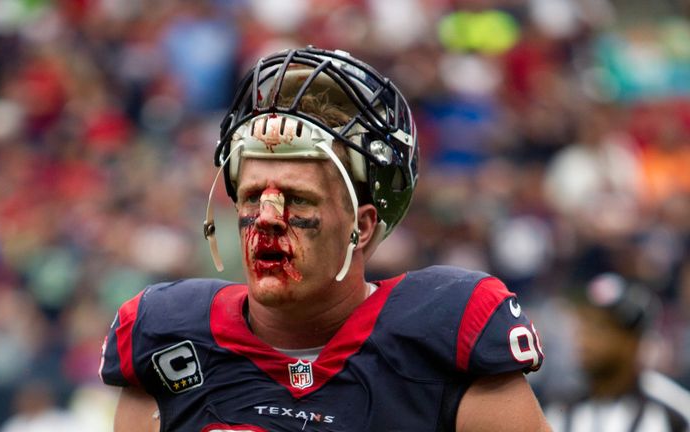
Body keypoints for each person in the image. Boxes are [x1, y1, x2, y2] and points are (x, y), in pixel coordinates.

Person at [99, 46, 550, 431]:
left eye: (298, 199)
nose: (268, 220)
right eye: (254, 196)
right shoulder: (165, 340)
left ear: (364, 226)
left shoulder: (447, 333)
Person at [544, 272, 690, 431]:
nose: (584, 339)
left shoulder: (674, 413)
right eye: (582, 324)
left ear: (632, 341)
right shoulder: (558, 408)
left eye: (599, 328)